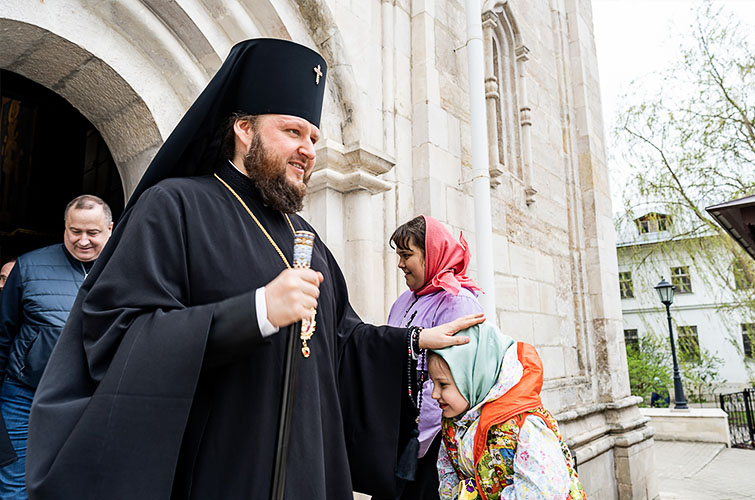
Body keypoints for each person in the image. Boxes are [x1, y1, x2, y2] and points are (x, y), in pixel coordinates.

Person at [27, 38, 483, 500]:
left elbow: (340, 339)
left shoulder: (308, 238)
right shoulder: (175, 206)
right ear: (244, 129)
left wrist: (412, 341)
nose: (307, 149)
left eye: (312, 138)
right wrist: (257, 310)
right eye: (292, 132)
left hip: (309, 469)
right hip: (221, 468)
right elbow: (119, 334)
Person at [0, 195, 112, 499]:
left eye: (93, 233)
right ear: (64, 227)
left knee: (77, 484)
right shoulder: (28, 267)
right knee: (14, 485)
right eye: (75, 231)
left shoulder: (128, 270)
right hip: (24, 396)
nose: (83, 241)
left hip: (89, 400)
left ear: (111, 230)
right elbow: (3, 333)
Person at [383, 215, 483, 500]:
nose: (400, 264)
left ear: (433, 255)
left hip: (435, 444)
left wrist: (413, 440)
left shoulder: (457, 301)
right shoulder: (404, 300)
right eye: (399, 255)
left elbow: (452, 381)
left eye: (406, 255)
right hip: (401, 436)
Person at [430, 323, 586, 500]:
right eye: (432, 383)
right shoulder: (455, 424)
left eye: (443, 384)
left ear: (474, 377)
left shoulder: (525, 426)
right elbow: (447, 474)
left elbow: (542, 492)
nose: (434, 394)